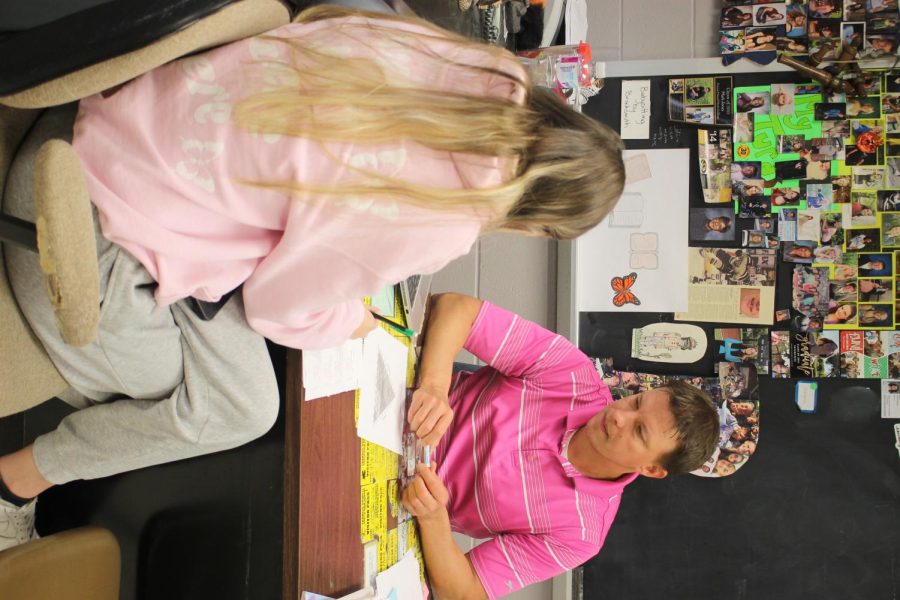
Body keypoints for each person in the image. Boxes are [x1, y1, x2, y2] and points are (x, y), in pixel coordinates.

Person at [0, 8, 627, 552]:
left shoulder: (458, 60)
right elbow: (277, 310)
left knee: (222, 397)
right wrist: (350, 320)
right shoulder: (449, 217)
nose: (624, 416)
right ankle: (17, 479)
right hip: (67, 233)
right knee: (221, 409)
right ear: (539, 215)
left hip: (91, 115)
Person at [399, 293, 719, 598]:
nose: (619, 416)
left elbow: (463, 592)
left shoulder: (579, 536)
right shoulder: (573, 373)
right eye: (636, 402)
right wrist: (435, 387)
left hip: (398, 500)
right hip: (398, 403)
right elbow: (456, 308)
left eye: (639, 431)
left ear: (651, 468)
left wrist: (432, 518)